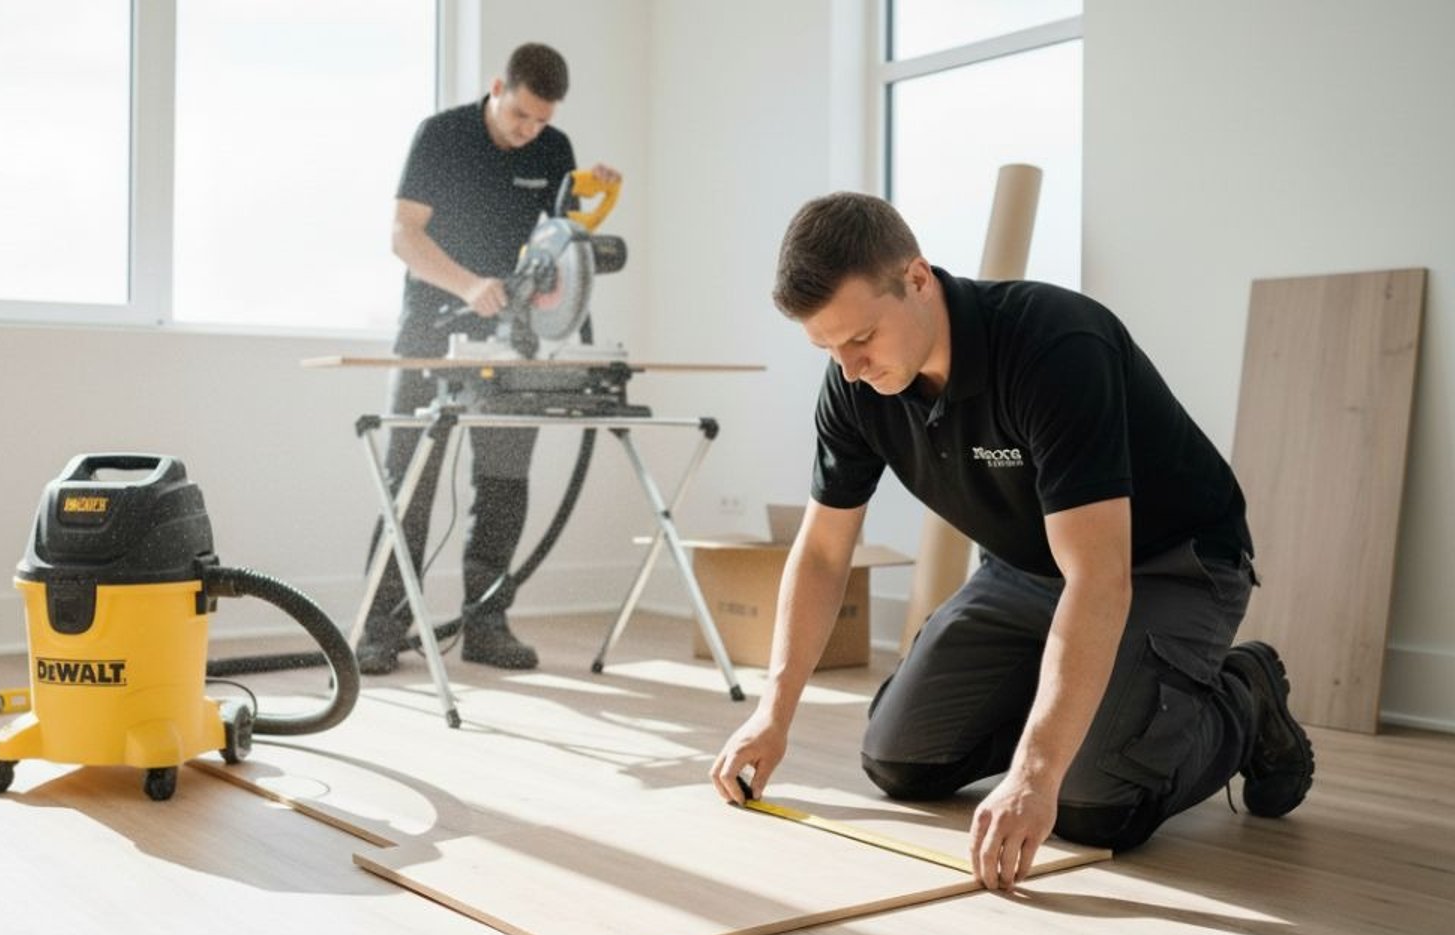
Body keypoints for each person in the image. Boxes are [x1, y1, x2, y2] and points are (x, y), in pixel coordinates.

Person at [709, 193, 1316, 891]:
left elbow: (1098, 577)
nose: (849, 368)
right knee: (901, 763)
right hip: (1026, 571)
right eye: (827, 348)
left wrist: (1035, 772)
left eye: (861, 339)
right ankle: (1089, 702)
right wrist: (772, 714)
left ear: (916, 279)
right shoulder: (854, 387)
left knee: (1091, 803)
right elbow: (821, 553)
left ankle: (1244, 696)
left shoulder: (1053, 345)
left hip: (1167, 564)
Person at [358, 43, 620, 676]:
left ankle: (487, 622)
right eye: (521, 116)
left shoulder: (554, 149)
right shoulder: (442, 136)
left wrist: (599, 201)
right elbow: (403, 233)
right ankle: (380, 628)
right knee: (411, 483)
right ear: (498, 87)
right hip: (432, 330)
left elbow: (559, 247)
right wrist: (468, 285)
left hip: (511, 342)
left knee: (503, 485)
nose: (529, 131)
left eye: (540, 121)